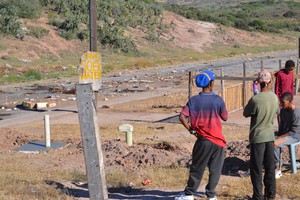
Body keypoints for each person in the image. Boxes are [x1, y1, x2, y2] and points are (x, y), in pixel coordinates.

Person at [175, 70, 228, 200]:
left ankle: (189, 194)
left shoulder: (193, 101)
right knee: (215, 169)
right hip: (218, 141)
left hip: (203, 140)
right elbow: (225, 117)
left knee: (197, 167)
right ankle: (211, 195)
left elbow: (182, 116)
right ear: (211, 83)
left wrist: (191, 130)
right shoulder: (218, 100)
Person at [243, 70, 279, 200]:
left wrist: (255, 92)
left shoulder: (255, 99)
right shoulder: (274, 97)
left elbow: (246, 113)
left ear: (258, 82)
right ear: (269, 81)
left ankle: (258, 196)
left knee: (257, 168)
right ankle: (271, 195)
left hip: (258, 137)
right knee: (270, 167)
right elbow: (276, 111)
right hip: (270, 136)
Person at [274, 92, 300, 179]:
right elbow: (281, 126)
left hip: (295, 135)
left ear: (290, 101)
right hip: (286, 133)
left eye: (283, 103)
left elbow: (293, 132)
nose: (281, 105)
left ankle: (277, 168)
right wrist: (277, 134)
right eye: (280, 103)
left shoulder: (296, 113)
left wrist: (278, 137)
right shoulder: (283, 111)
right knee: (266, 138)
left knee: (275, 143)